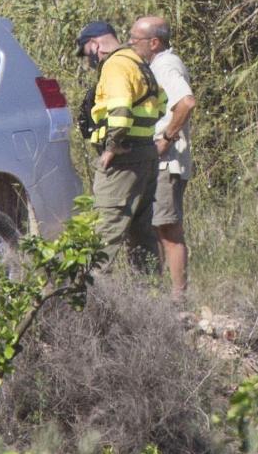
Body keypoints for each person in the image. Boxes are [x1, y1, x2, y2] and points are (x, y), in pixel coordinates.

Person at [76, 20, 166, 267]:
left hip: (123, 159)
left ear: (95, 45)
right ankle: (149, 295)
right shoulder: (138, 63)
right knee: (141, 233)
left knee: (105, 230)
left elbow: (121, 109)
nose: (89, 62)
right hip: (145, 153)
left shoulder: (115, 65)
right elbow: (162, 104)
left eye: (87, 54)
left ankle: (92, 297)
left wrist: (111, 147)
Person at [129, 16, 196, 300]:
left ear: (154, 42)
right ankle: (157, 294)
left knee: (168, 229)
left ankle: (178, 297)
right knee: (155, 227)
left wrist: (166, 138)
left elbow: (187, 102)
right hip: (157, 160)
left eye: (135, 39)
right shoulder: (155, 66)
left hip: (167, 161)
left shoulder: (166, 65)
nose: (131, 44)